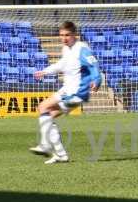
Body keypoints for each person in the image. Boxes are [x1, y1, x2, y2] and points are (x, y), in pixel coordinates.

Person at [29, 21, 101, 164]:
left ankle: (45, 145)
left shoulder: (82, 48)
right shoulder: (66, 49)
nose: (64, 38)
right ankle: (61, 154)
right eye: (61, 35)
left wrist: (97, 79)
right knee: (48, 116)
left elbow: (94, 65)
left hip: (76, 94)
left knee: (43, 107)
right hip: (66, 90)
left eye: (67, 35)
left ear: (74, 34)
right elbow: (61, 65)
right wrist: (45, 71)